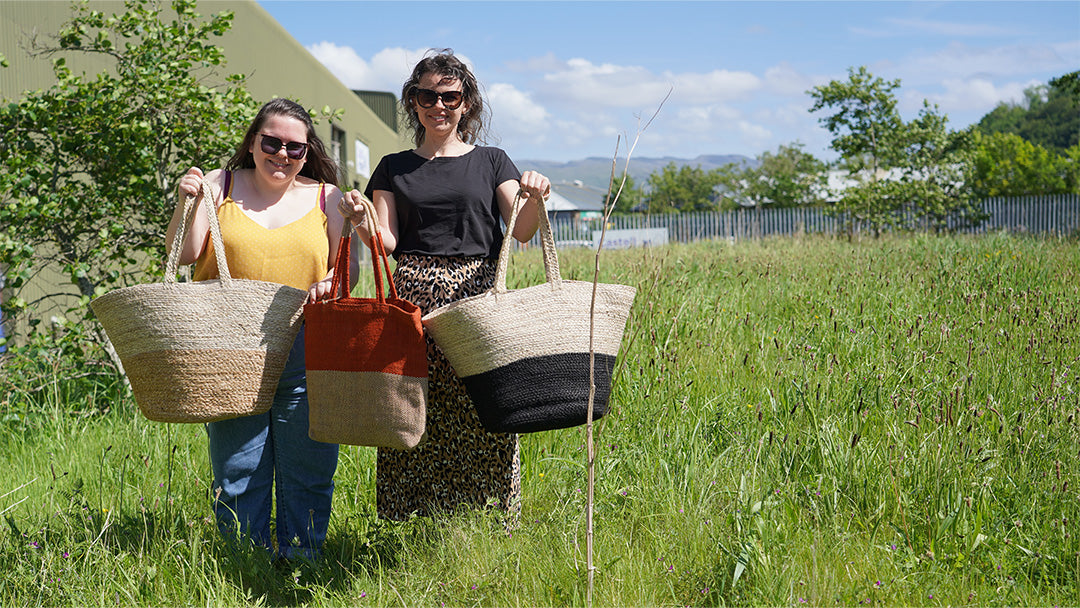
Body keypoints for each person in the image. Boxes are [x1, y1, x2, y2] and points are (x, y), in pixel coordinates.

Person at [339, 49, 551, 521]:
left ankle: (490, 518)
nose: (439, 105)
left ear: (467, 103)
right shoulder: (393, 167)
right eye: (427, 96)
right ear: (413, 102)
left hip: (477, 296)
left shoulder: (493, 161)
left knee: (484, 403)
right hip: (412, 300)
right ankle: (409, 520)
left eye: (450, 96)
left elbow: (522, 228)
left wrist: (535, 195)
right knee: (411, 403)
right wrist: (360, 221)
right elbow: (387, 239)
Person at [165, 98, 355, 560]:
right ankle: (245, 563)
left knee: (309, 467)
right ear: (253, 142)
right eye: (272, 142)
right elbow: (184, 254)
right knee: (238, 467)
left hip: (305, 344)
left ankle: (302, 561)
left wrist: (330, 282)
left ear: (308, 153)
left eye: (296, 147)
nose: (282, 155)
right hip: (229, 346)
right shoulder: (218, 185)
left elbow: (343, 273)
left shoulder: (327, 198)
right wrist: (184, 203)